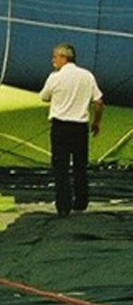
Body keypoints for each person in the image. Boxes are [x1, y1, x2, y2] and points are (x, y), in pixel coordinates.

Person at [40, 42, 103, 215]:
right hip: (80, 127)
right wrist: (97, 122)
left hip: (60, 126)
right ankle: (81, 202)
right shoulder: (87, 76)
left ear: (63, 57)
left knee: (60, 167)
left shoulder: (55, 77)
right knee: (80, 166)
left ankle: (63, 206)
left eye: (55, 57)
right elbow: (98, 102)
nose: (53, 60)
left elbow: (43, 96)